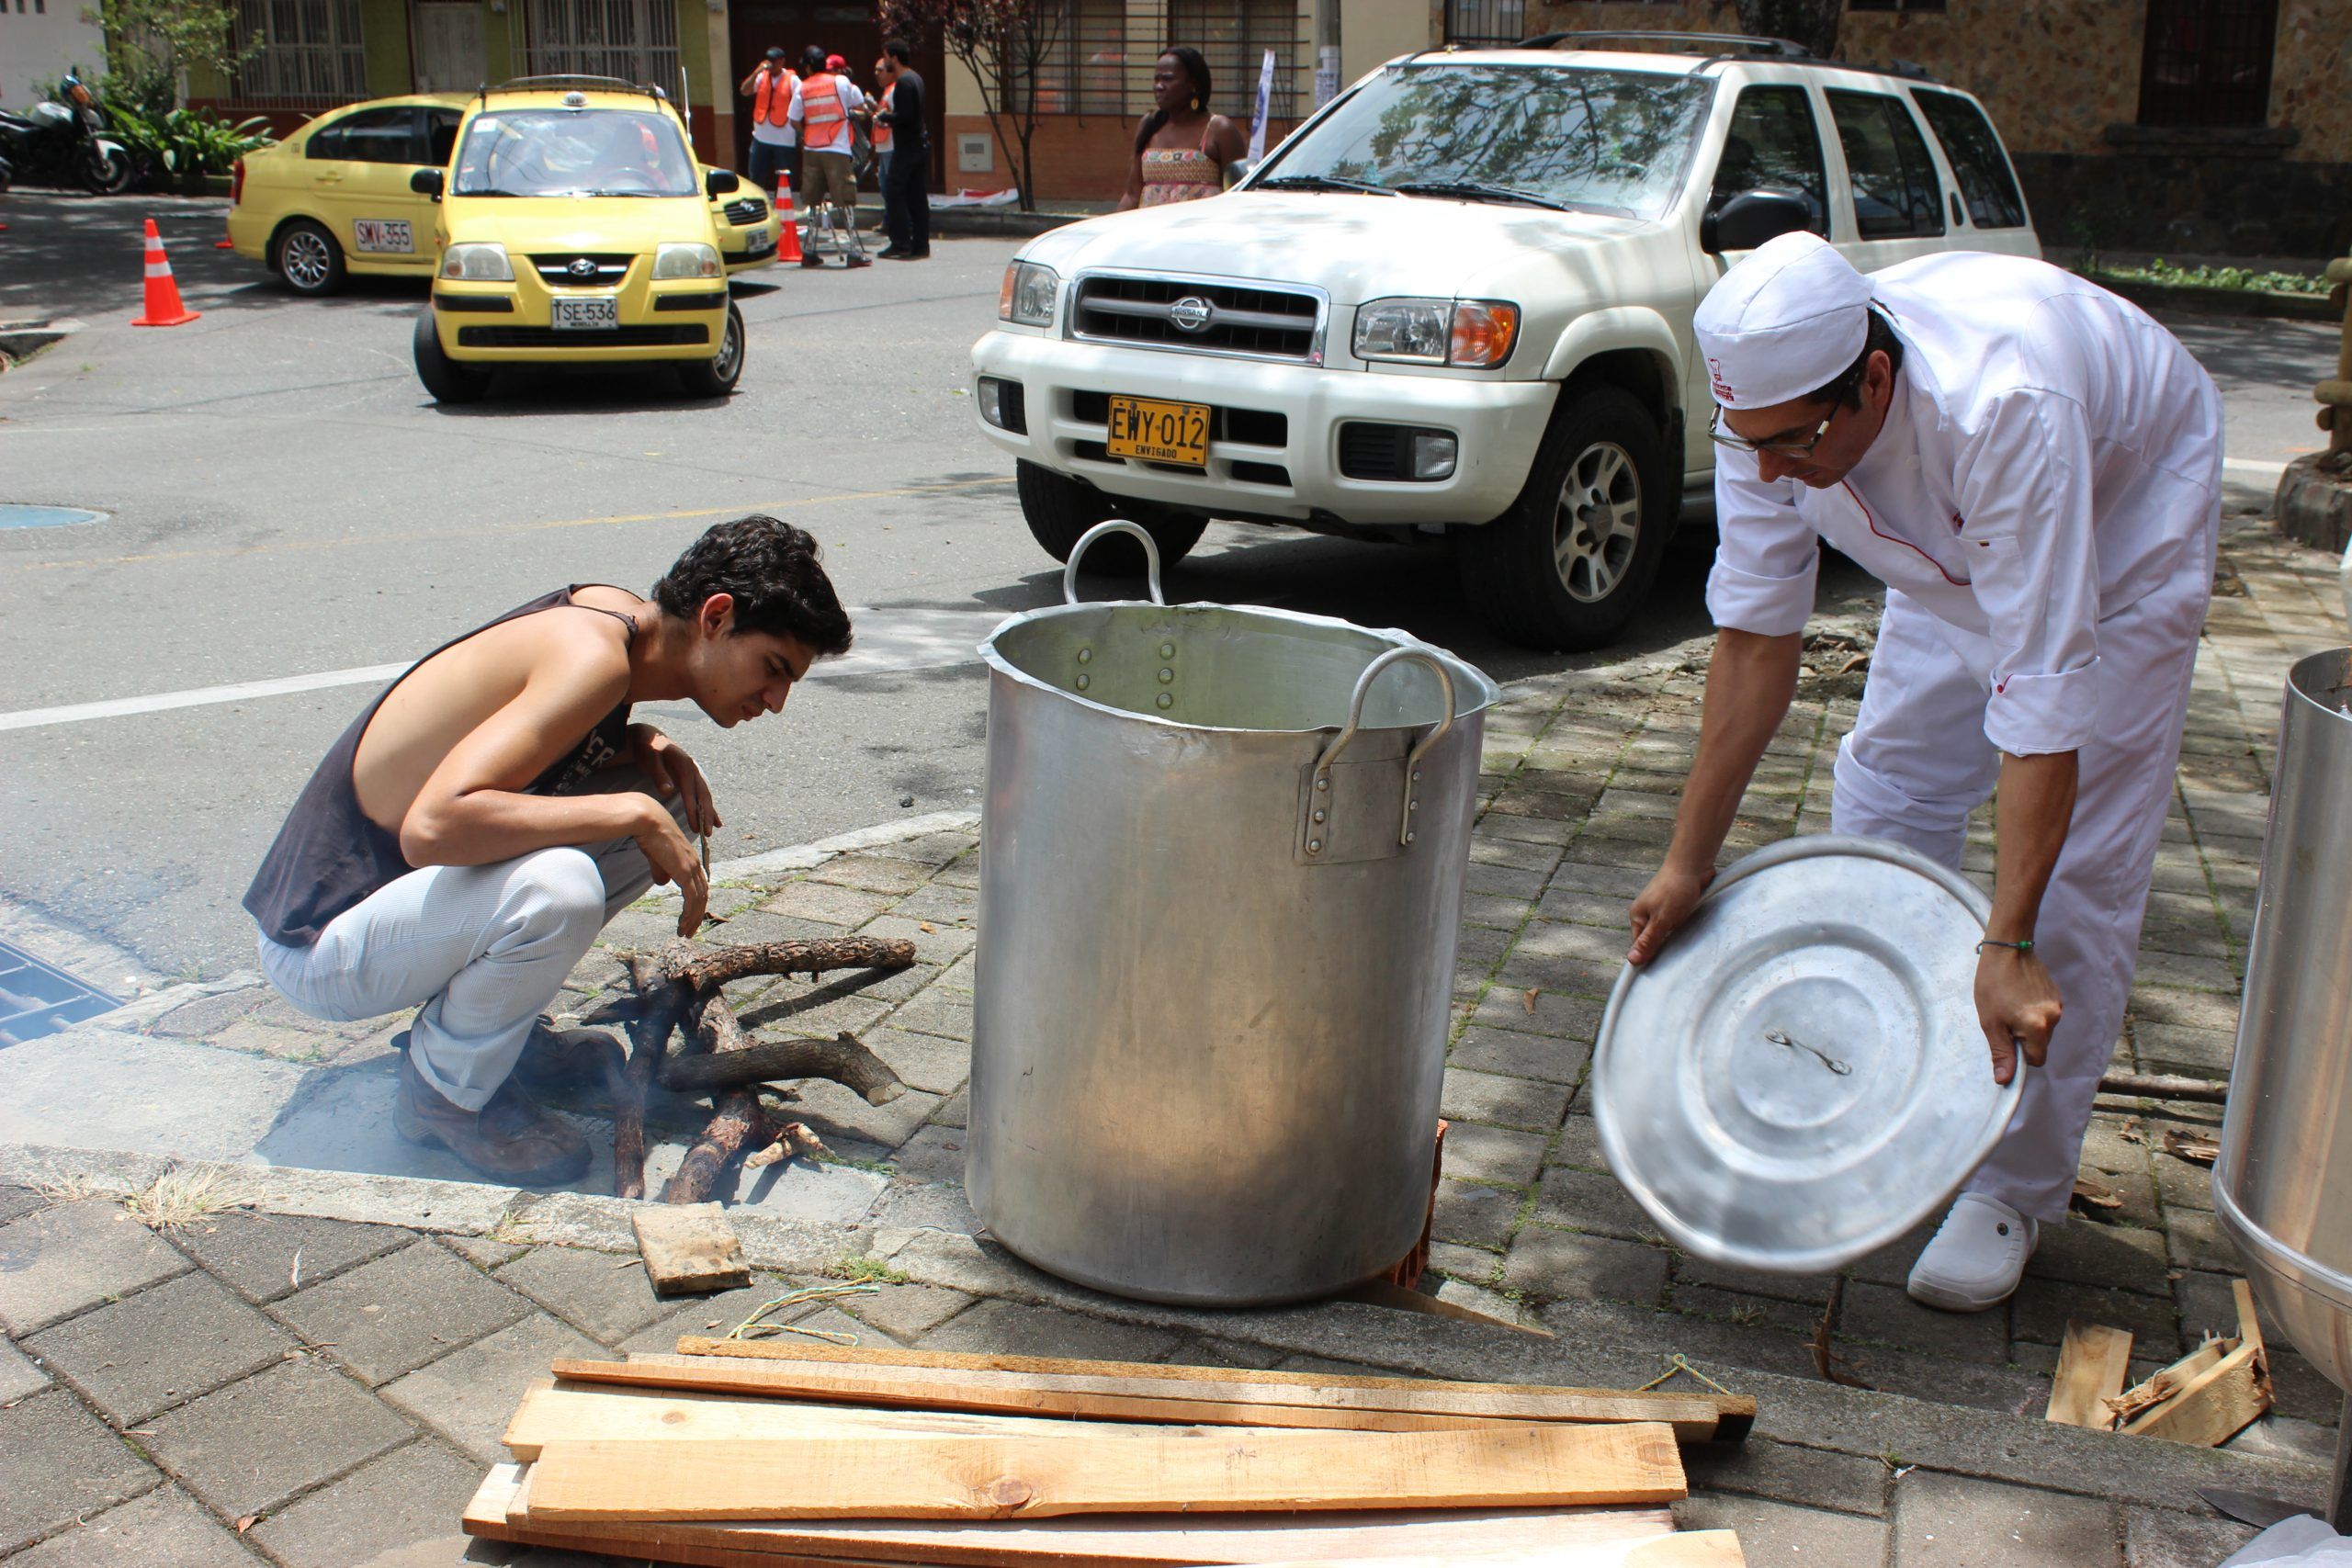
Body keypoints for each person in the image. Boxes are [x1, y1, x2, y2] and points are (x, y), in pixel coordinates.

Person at [1623, 231, 2223, 1313]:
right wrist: (1686, 862)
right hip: (1944, 537)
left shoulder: (2007, 407)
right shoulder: (1774, 413)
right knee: (1886, 787)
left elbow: (2041, 699)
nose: (1764, 471)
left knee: (2071, 879)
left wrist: (2006, 941)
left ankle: (2010, 1183)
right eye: (1743, 443)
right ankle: (1873, 1086)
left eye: (1788, 445)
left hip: (2123, 517)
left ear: (1875, 379)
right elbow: (1757, 638)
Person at [244, 518, 854, 1185]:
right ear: (715, 615)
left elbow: (538, 748)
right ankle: (442, 1094)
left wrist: (641, 742)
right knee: (561, 883)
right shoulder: (594, 659)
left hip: (392, 912)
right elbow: (434, 825)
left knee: (670, 799)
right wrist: (628, 807)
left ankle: (490, 1033)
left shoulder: (618, 620)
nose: (776, 701)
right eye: (773, 668)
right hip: (321, 941)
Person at [1117, 46, 1244, 211]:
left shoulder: (1219, 129)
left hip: (1200, 231)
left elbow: (1238, 195)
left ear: (1193, 84)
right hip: (1152, 232)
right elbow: (1132, 194)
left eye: (1168, 79)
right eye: (1156, 80)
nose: (1159, 86)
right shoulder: (1150, 124)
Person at [791, 45, 869, 267]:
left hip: (812, 150)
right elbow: (860, 107)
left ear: (807, 67)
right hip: (837, 149)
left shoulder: (802, 87)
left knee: (814, 202)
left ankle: (809, 252)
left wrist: (806, 134)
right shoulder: (841, 83)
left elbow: (793, 119)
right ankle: (854, 252)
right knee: (844, 200)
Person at [876, 39, 928, 260]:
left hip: (907, 148)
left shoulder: (904, 83)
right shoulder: (915, 78)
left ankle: (900, 242)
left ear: (894, 58)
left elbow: (906, 116)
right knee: (916, 196)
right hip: (919, 145)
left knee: (893, 192)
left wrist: (885, 117)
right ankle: (920, 244)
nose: (885, 61)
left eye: (886, 57)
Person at [737, 47, 798, 205]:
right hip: (761, 138)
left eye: (774, 61)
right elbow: (744, 91)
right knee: (756, 177)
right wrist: (757, 72)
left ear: (782, 61)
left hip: (784, 140)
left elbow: (801, 103)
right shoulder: (761, 77)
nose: (770, 64)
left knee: (784, 181)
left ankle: (783, 211)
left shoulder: (792, 80)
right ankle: (757, 208)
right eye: (768, 60)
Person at [869, 56, 896, 236]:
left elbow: (893, 117)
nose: (877, 74)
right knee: (885, 186)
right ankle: (889, 220)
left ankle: (893, 222)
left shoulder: (893, 91)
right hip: (884, 146)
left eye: (880, 70)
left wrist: (873, 107)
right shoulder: (887, 90)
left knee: (890, 187)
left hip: (891, 146)